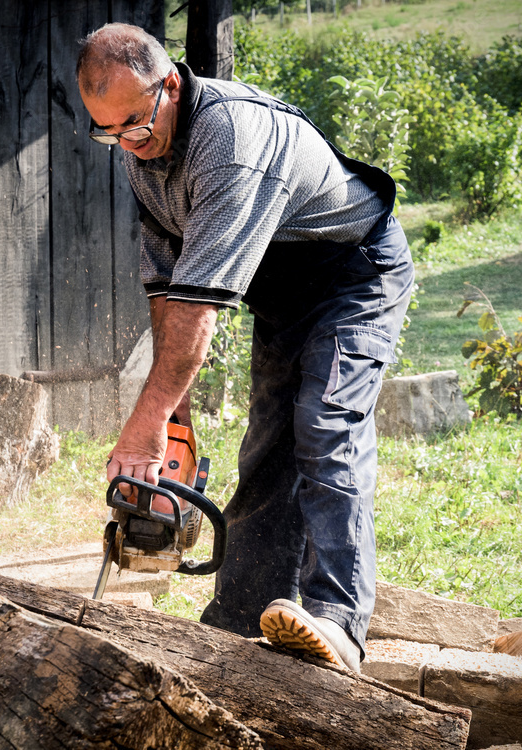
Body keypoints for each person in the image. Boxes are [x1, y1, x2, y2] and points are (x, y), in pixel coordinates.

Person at [77, 23, 414, 673]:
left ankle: (339, 619)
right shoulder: (140, 143)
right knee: (267, 448)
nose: (127, 142)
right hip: (283, 293)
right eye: (108, 131)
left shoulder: (228, 141)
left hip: (353, 275)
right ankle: (239, 616)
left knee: (326, 425)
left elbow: (198, 306)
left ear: (170, 85)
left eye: (135, 123)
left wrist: (143, 427)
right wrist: (173, 415)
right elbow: (168, 285)